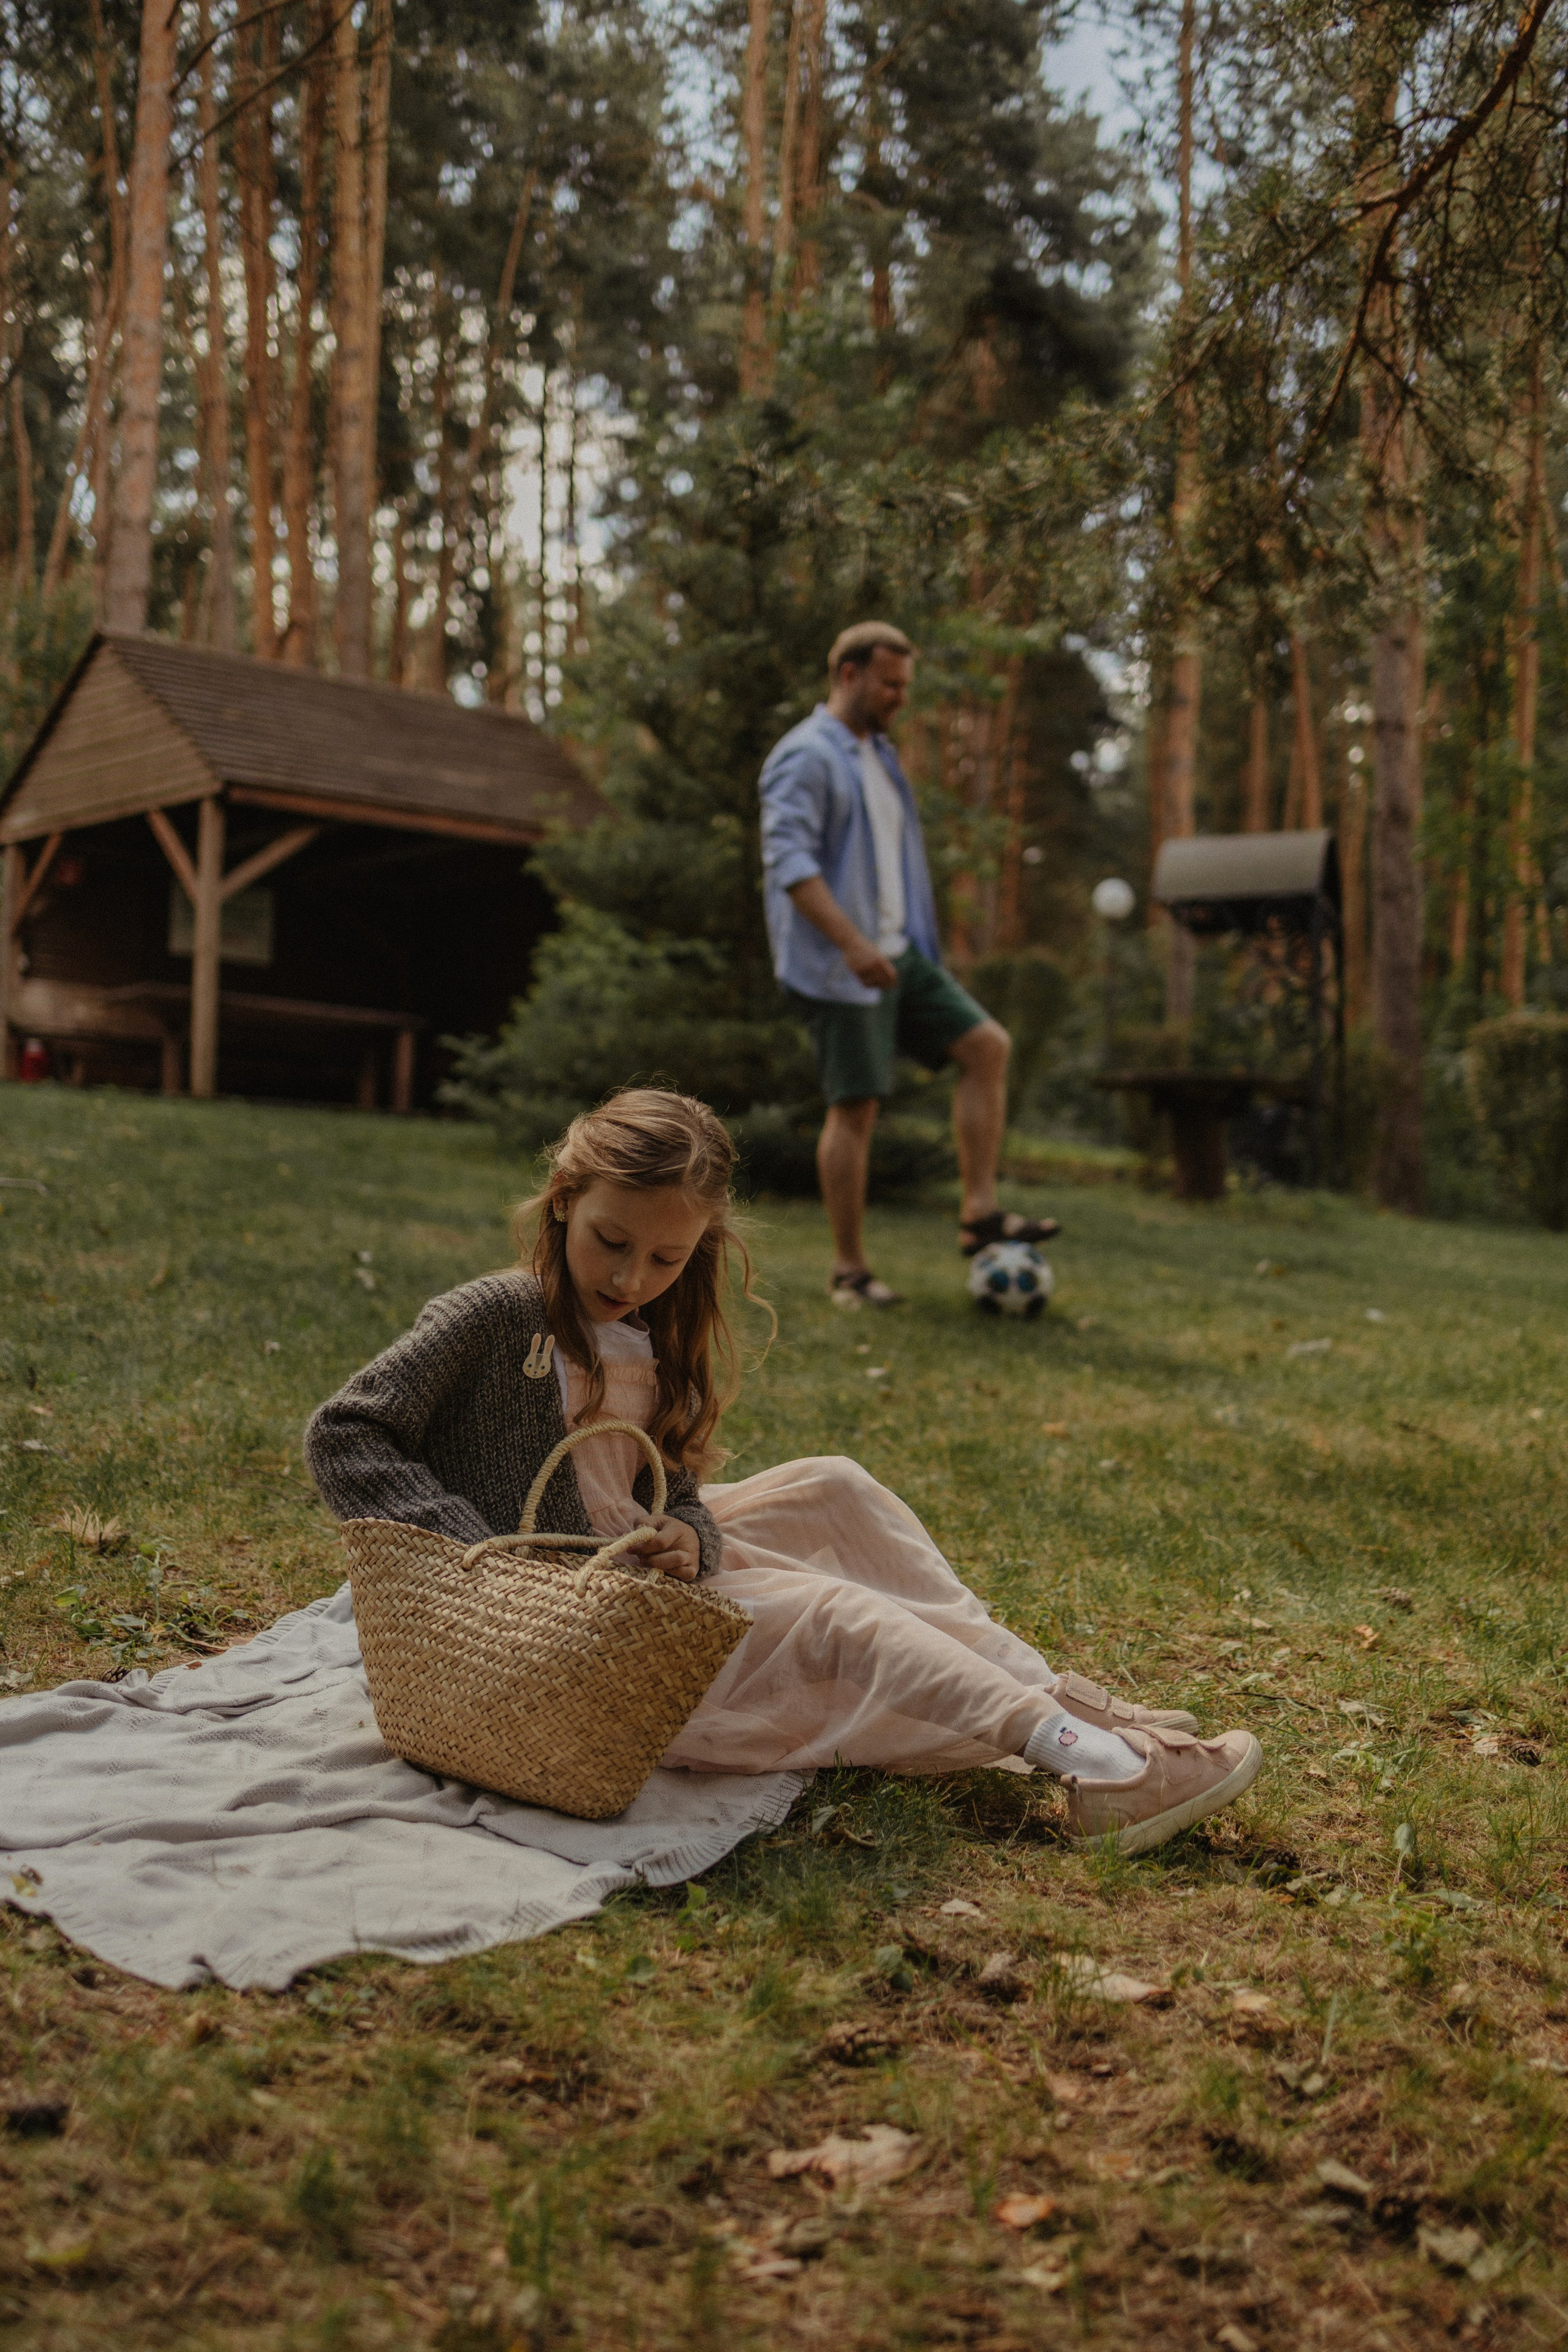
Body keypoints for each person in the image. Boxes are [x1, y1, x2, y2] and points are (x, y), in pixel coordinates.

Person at [305, 1088, 1262, 1855]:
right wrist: (476, 1557)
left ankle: (1055, 1691)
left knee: (833, 1487)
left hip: (630, 1558)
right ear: (564, 1200)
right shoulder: (495, 1315)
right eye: (612, 1241)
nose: (634, 1276)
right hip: (560, 1620)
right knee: (830, 1614)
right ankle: (1093, 1765)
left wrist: (691, 1531)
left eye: (666, 1257)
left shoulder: (652, 1331)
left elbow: (668, 1487)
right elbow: (345, 1432)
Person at [760, 619, 1061, 1307]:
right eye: (890, 683)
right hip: (843, 963)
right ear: (848, 674)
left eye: (905, 685)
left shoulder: (879, 756)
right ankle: (849, 1271)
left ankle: (978, 1213)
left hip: (899, 954)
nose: (901, 696)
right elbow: (789, 863)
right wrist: (850, 943)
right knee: (855, 1109)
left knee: (986, 1046)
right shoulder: (806, 756)